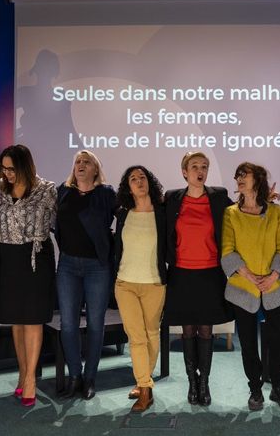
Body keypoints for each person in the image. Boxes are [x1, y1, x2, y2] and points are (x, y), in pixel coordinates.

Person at [221, 162, 280, 411]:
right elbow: (228, 249)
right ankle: (255, 389)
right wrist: (249, 276)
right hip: (244, 288)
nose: (239, 179)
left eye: (244, 175)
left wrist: (274, 276)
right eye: (237, 175)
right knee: (249, 343)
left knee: (278, 341)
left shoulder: (275, 212)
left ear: (257, 179)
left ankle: (278, 388)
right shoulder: (231, 213)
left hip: (273, 288)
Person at [164, 152, 233, 406]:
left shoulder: (218, 196)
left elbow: (241, 214)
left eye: (204, 166)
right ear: (184, 172)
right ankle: (191, 383)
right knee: (187, 329)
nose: (200, 170)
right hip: (181, 273)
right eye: (194, 166)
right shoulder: (172, 198)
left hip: (210, 272)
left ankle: (204, 383)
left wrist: (266, 202)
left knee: (206, 329)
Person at [0, 144, 56, 407]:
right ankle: (22, 373)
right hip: (8, 258)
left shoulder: (47, 190)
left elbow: (57, 223)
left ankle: (31, 378)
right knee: (16, 322)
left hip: (35, 258)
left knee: (32, 320)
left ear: (25, 166)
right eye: (4, 168)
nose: (7, 173)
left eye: (12, 168)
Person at [53, 150, 117, 399]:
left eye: (86, 162)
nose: (80, 165)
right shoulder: (63, 191)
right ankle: (74, 376)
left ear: (95, 170)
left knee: (95, 324)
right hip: (68, 265)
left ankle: (90, 377)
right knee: (68, 324)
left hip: (96, 267)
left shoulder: (106, 194)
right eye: (78, 162)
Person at [113, 165, 167, 413]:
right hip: (125, 283)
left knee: (151, 335)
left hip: (154, 282)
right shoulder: (123, 213)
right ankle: (145, 388)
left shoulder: (163, 212)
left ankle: (143, 381)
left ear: (149, 182)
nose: (139, 181)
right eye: (133, 179)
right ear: (128, 187)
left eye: (142, 177)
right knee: (136, 337)